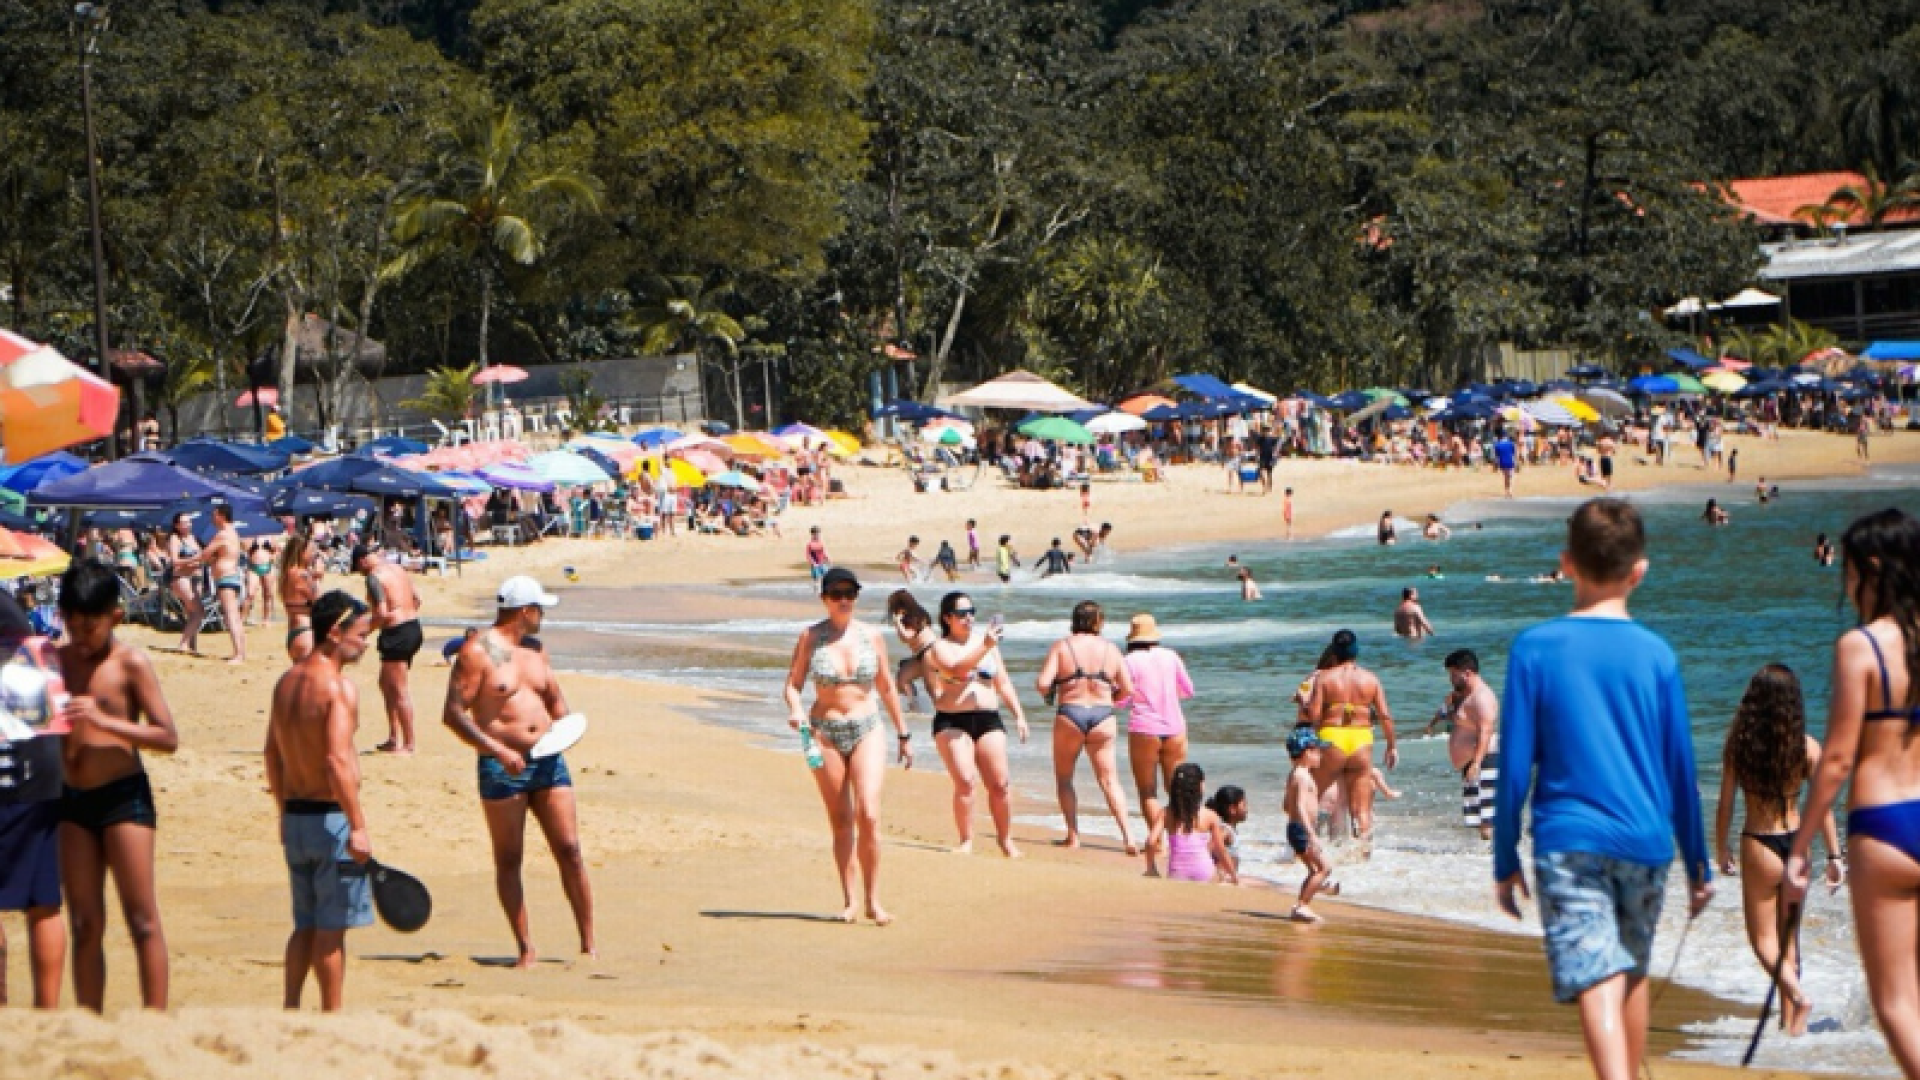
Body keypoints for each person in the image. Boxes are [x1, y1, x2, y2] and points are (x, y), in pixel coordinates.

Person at [1494, 498, 1712, 1080]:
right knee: (1630, 971)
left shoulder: (1534, 648)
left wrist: (1502, 856)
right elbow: (1680, 769)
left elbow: (1514, 765)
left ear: (1566, 563)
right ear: (1639, 570)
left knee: (1597, 972)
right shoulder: (1657, 655)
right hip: (1646, 840)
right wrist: (1699, 863)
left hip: (1569, 839)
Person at [1784, 509, 1920, 1074]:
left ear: (1871, 569)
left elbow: (1837, 760)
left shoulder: (1860, 647)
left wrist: (1802, 848)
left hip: (1886, 828)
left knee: (1895, 1003)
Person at [442, 576, 595, 966]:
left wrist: (566, 730)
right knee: (510, 858)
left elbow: (555, 701)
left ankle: (588, 945)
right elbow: (454, 714)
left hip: (548, 759)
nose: (543, 615)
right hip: (501, 764)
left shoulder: (535, 650)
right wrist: (496, 749)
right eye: (540, 609)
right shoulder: (481, 651)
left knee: (570, 850)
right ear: (524, 611)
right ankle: (526, 947)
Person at [56, 559, 180, 1011]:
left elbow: (167, 736)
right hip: (71, 798)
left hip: (123, 796)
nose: (80, 636)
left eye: (89, 626)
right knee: (85, 923)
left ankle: (156, 1020)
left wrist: (105, 721)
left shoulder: (130, 663)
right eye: (72, 624)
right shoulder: (57, 659)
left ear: (114, 617)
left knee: (142, 919)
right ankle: (89, 1019)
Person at [1713, 664, 1844, 1038]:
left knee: (1762, 942)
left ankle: (1798, 999)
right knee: (1790, 942)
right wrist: (1835, 857)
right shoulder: (1807, 746)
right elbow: (1823, 806)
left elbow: (1724, 805)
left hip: (1760, 843)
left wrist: (1721, 849)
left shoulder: (1739, 745)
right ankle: (1792, 1030)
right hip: (1798, 846)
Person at [265, 590, 375, 1010]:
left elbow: (272, 754)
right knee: (331, 929)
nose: (366, 642)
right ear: (335, 631)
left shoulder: (287, 681)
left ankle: (291, 1007)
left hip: (295, 816)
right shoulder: (338, 688)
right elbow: (335, 760)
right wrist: (358, 825)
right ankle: (332, 1016)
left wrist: (281, 810)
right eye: (360, 634)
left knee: (304, 925)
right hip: (330, 818)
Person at [782, 568, 911, 925]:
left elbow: (886, 687)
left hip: (868, 727)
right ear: (824, 598)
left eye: (850, 594)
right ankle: (850, 900)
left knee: (868, 812)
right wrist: (795, 710)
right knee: (841, 819)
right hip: (822, 732)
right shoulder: (811, 637)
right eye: (836, 594)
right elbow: (792, 685)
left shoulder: (872, 636)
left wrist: (903, 733)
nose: (844, 601)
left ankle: (874, 900)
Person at [0, 592, 66, 1008]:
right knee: (43, 900)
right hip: (42, 759)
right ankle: (48, 1014)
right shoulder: (36, 644)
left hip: (11, 752)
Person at [924, 593, 1026, 856]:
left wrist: (1019, 715)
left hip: (987, 717)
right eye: (961, 613)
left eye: (972, 611)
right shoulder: (940, 646)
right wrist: (985, 645)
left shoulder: (988, 645)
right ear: (947, 618)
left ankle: (1005, 840)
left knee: (1000, 783)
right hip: (952, 719)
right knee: (966, 781)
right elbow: (957, 669)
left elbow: (1002, 682)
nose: (968, 617)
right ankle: (966, 840)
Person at [1035, 601, 1136, 853]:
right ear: (1097, 622)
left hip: (1071, 714)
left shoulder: (1062, 646)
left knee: (1064, 778)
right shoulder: (1111, 649)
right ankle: (1129, 837)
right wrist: (1110, 698)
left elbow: (1042, 683)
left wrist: (1054, 689)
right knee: (1110, 780)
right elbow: (1128, 689)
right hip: (1103, 716)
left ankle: (1073, 836)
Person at [1304, 629, 1396, 850]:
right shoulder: (1370, 679)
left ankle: (1312, 849)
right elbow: (1384, 715)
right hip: (1361, 739)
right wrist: (1392, 745)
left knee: (1316, 798)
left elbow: (1315, 716)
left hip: (1331, 736)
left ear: (1334, 651)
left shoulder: (1324, 678)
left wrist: (1310, 744)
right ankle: (1362, 854)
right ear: (1356, 651)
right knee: (1361, 809)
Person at [1123, 614, 1195, 876]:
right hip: (1175, 727)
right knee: (1176, 789)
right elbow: (1188, 690)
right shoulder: (1171, 656)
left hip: (1144, 729)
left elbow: (1121, 698)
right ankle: (1184, 841)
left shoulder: (1129, 661)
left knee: (1147, 791)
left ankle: (1160, 842)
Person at [357, 545, 422, 754]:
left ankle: (409, 743)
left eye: (359, 568)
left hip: (397, 632)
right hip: (413, 626)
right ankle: (394, 737)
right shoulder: (398, 569)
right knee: (385, 684)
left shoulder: (374, 577)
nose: (361, 573)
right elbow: (417, 599)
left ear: (363, 561)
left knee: (398, 690)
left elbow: (382, 613)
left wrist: (364, 631)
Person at [1428, 649, 1498, 841]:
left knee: (1487, 822)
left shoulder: (1482, 697)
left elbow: (1486, 730)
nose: (1451, 679)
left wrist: (1476, 763)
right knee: (1477, 820)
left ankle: (1494, 865)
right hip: (1473, 764)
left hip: (1484, 762)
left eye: (1453, 674)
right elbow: (1454, 717)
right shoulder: (1465, 696)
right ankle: (1482, 862)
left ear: (1467, 673)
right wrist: (1435, 721)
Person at [175, 504, 246, 664]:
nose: (212, 518)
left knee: (231, 616)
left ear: (221, 516)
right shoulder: (233, 532)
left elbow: (204, 555)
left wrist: (181, 562)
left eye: (214, 515)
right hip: (231, 575)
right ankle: (241, 651)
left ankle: (238, 654)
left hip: (226, 577)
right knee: (234, 615)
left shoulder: (222, 534)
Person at [1284, 729, 1340, 921]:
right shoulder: (1302, 775)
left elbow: (1286, 804)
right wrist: (1311, 833)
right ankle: (1303, 905)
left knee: (1315, 870)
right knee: (1324, 868)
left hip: (1295, 828)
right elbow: (1299, 805)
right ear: (1306, 752)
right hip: (1301, 830)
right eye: (1317, 751)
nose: (1320, 755)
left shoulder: (1296, 774)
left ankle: (1309, 896)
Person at [1162, 764, 1236, 885]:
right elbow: (1220, 849)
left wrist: (1151, 868)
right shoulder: (1210, 815)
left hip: (1176, 872)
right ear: (1200, 786)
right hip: (1203, 870)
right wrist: (1233, 875)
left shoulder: (1166, 813)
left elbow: (1151, 841)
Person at [886, 589, 937, 710]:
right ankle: (915, 706)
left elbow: (907, 637)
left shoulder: (910, 618)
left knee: (904, 679)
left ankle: (915, 708)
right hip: (931, 650)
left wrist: (897, 622)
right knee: (903, 674)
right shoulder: (919, 613)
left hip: (927, 652)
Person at [164, 513, 205, 656]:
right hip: (182, 577)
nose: (188, 525)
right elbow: (174, 561)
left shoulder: (194, 538)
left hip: (195, 578)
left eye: (189, 522)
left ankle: (192, 645)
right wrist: (193, 559)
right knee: (199, 611)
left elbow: (202, 557)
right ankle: (183, 644)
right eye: (184, 522)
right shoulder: (175, 539)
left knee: (192, 613)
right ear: (177, 525)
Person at [279, 532, 318, 661]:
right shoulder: (302, 575)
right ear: (301, 551)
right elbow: (320, 602)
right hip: (306, 632)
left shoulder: (286, 574)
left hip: (293, 632)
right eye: (311, 550)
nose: (313, 554)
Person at [1208, 785, 1248, 880]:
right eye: (1244, 805)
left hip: (1227, 876)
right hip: (1223, 877)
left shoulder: (1229, 829)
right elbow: (1209, 847)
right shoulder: (1225, 830)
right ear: (1232, 809)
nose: (1246, 810)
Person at [247, 537, 277, 626]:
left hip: (267, 566)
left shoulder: (270, 538)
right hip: (253, 567)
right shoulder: (249, 537)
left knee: (267, 594)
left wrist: (273, 557)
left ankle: (266, 619)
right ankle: (244, 618)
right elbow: (246, 550)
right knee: (250, 593)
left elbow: (277, 550)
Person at [804, 526, 831, 592]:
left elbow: (824, 551)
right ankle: (816, 590)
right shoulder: (810, 544)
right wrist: (813, 563)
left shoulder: (821, 542)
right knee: (816, 579)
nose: (817, 536)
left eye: (818, 534)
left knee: (827, 575)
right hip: (815, 564)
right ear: (812, 535)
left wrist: (827, 557)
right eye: (815, 534)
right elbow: (808, 555)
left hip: (822, 563)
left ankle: (825, 589)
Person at [1493, 431, 1517, 497]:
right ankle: (1510, 491)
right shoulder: (1511, 444)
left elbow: (1496, 457)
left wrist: (1495, 466)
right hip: (1510, 462)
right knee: (1511, 477)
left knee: (1506, 477)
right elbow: (1514, 455)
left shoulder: (1497, 445)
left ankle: (1506, 491)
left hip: (1502, 463)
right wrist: (1516, 463)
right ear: (1506, 436)